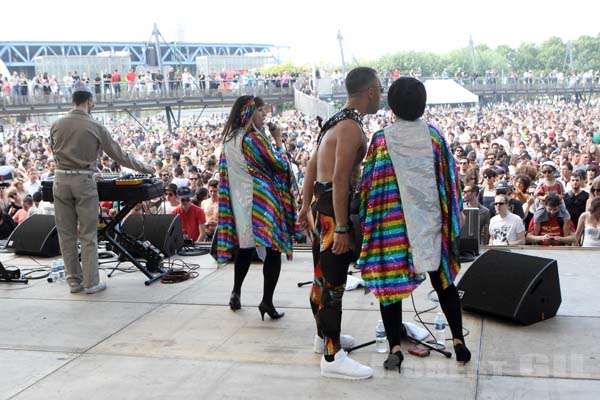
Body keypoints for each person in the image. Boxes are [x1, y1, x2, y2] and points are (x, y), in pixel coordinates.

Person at [357, 76, 470, 376]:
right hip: (429, 224)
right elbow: (449, 182)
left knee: (389, 287)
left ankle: (394, 348)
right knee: (443, 283)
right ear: (422, 104)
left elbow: (369, 185)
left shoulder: (382, 139)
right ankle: (458, 340)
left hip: (393, 227)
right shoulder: (434, 137)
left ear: (392, 106)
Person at [297, 67, 380, 380]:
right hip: (334, 210)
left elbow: (311, 168)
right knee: (332, 285)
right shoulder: (350, 128)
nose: (381, 96)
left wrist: (306, 206)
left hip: (321, 207)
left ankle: (323, 339)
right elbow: (340, 178)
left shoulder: (334, 120)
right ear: (370, 91)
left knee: (321, 279)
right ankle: (332, 359)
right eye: (380, 90)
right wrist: (343, 227)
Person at [50, 82, 153, 295]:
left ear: (73, 101)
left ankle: (74, 283)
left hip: (60, 181)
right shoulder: (95, 126)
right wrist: (146, 168)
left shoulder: (57, 124)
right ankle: (91, 283)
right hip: (83, 182)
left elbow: (57, 152)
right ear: (89, 101)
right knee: (88, 234)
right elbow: (119, 155)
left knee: (66, 234)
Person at [216, 95, 296, 322]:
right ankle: (267, 301)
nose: (264, 116)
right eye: (260, 111)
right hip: (262, 201)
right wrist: (278, 140)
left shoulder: (230, 139)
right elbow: (280, 164)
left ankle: (236, 292)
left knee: (244, 248)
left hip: (240, 204)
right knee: (273, 250)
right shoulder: (253, 139)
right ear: (248, 112)